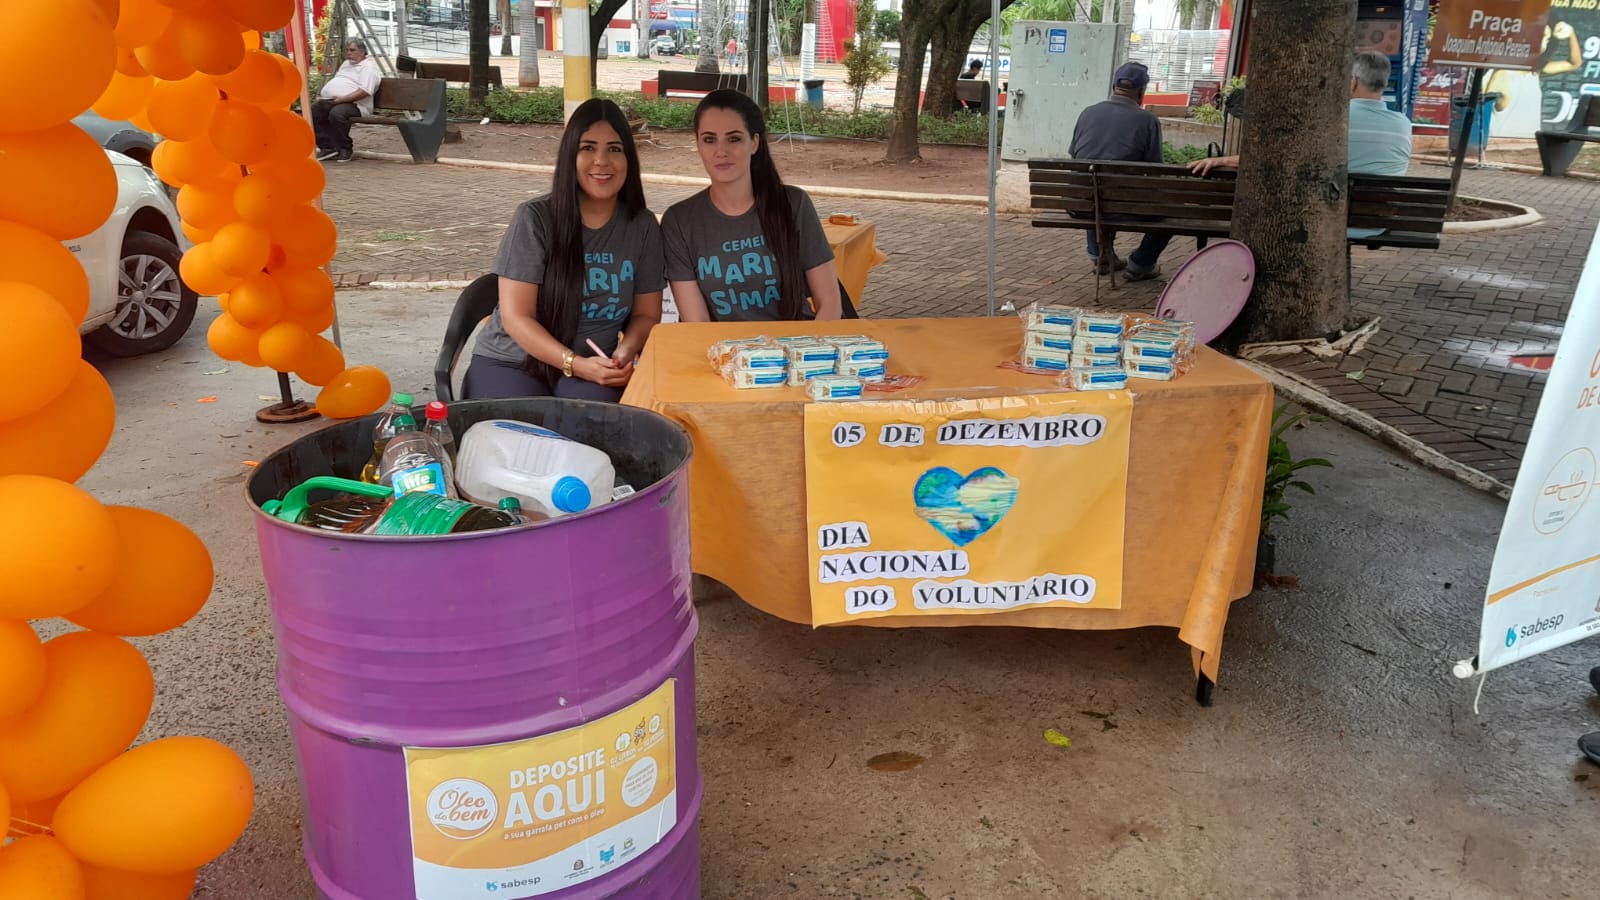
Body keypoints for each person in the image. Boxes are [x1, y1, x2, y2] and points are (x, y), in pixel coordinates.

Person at [461, 98, 664, 402]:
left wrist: (625, 351)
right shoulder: (535, 218)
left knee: (600, 434)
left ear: (629, 159)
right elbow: (517, 317)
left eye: (615, 149)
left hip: (596, 367)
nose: (602, 161)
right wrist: (575, 364)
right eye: (588, 148)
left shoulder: (643, 225)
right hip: (514, 362)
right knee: (521, 439)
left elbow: (646, 314)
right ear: (570, 155)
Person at [661, 90, 843, 322]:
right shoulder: (679, 221)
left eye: (734, 138)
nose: (721, 152)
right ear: (698, 144)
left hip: (798, 350)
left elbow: (830, 306)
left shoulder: (793, 204)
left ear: (755, 143)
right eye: (709, 139)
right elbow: (697, 327)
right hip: (722, 355)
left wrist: (808, 354)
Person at [1188, 50, 1413, 178]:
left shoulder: (1328, 119)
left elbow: (1276, 156)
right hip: (1377, 221)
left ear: (1352, 81)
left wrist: (1221, 160)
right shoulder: (1404, 125)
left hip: (1328, 218)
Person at [1068, 61, 1168, 280]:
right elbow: (1155, 170)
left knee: (1093, 186)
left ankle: (1099, 255)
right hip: (1124, 205)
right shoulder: (1148, 120)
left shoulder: (1088, 113)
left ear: (1114, 86)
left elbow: (1075, 154)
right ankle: (1140, 264)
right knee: (1169, 214)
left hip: (1081, 205)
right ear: (1141, 92)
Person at [313, 40, 382, 163]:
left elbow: (364, 91)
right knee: (314, 111)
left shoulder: (368, 68)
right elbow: (340, 81)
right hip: (336, 101)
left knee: (337, 114)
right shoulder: (346, 64)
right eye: (347, 50)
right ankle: (328, 147)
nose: (348, 53)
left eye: (352, 50)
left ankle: (345, 148)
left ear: (362, 52)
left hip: (357, 105)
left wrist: (342, 99)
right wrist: (323, 96)